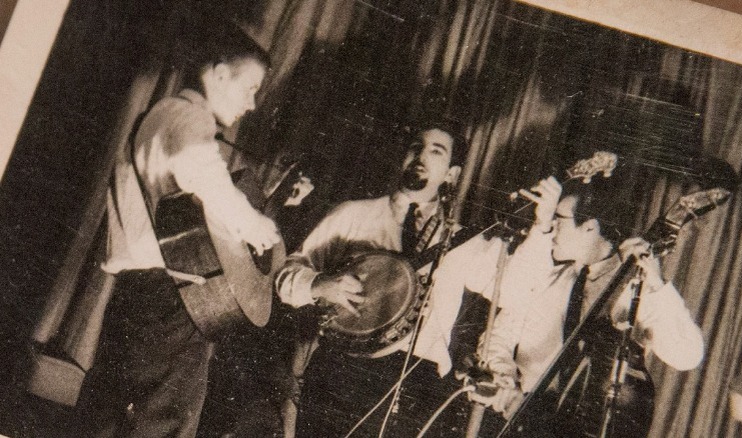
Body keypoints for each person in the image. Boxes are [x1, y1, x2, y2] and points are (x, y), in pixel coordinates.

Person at [75, 24, 279, 438]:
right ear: (220, 74)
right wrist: (254, 225)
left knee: (112, 413)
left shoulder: (165, 116)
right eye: (250, 87)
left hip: (145, 290)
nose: (253, 104)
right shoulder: (186, 118)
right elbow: (202, 174)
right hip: (171, 298)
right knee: (163, 422)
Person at [275, 120, 515, 437]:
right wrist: (319, 284)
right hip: (343, 369)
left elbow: (515, 291)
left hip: (419, 380)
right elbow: (286, 275)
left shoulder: (466, 242)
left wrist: (540, 229)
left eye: (436, 151)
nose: (421, 156)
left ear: (452, 174)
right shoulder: (353, 214)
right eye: (416, 146)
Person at [472, 175, 705, 437]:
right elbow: (497, 336)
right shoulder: (547, 277)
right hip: (525, 424)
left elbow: (688, 355)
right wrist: (506, 381)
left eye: (559, 220)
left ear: (590, 227)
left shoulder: (634, 289)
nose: (552, 228)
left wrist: (657, 283)